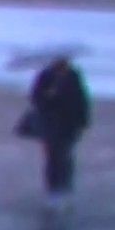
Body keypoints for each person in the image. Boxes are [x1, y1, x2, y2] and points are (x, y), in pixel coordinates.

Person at [28, 55, 90, 207]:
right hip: (50, 124)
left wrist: (83, 121)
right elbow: (36, 99)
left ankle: (65, 188)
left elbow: (81, 100)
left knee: (66, 156)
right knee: (52, 157)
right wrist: (49, 95)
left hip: (69, 124)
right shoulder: (45, 76)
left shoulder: (74, 76)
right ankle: (53, 190)